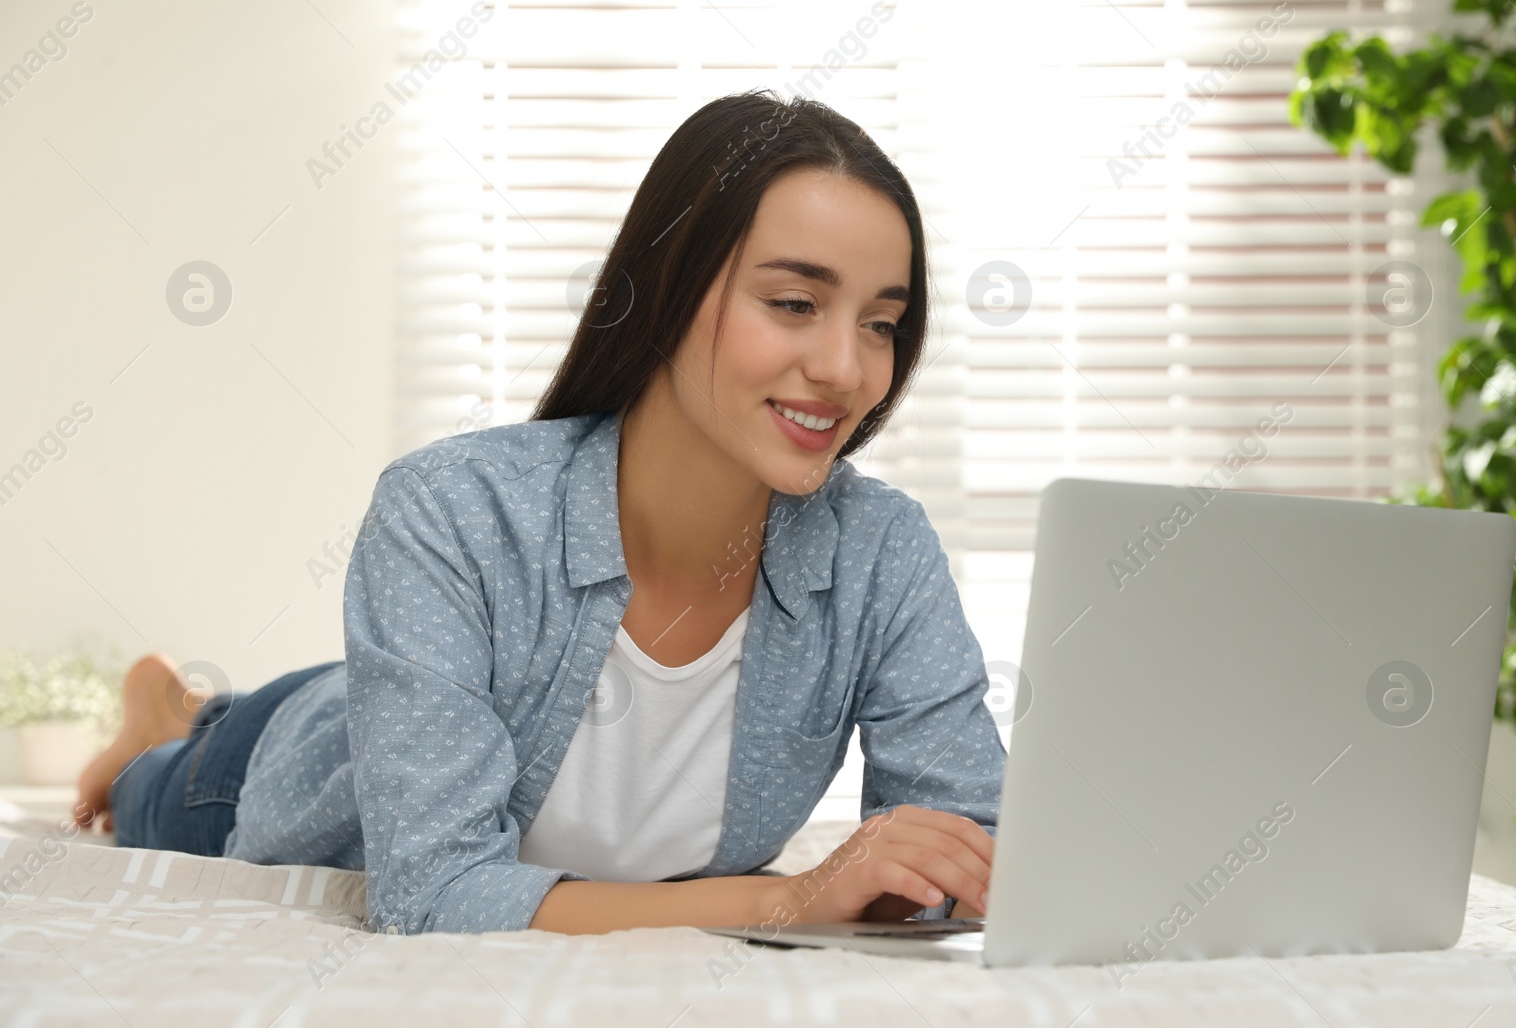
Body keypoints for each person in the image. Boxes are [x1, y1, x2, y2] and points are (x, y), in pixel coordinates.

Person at [74, 89, 1008, 936]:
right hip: (287, 751)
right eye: (796, 301)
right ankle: (162, 717)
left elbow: (971, 836)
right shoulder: (448, 507)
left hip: (437, 677)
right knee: (150, 787)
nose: (847, 369)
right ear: (669, 289)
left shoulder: (882, 551)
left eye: (882, 322)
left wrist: (930, 874)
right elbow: (435, 893)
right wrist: (790, 897)